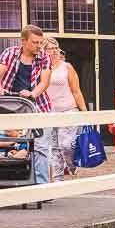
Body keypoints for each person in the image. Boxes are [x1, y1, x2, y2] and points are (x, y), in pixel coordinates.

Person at [0, 25, 52, 184]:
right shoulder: (10, 54)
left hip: (39, 106)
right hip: (10, 107)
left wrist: (32, 94)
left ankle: (41, 188)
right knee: (9, 143)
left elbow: (44, 82)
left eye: (40, 42)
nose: (39, 46)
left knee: (41, 147)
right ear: (23, 41)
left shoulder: (44, 57)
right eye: (35, 42)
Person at [43, 37, 87, 181]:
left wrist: (85, 112)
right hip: (49, 112)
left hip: (68, 109)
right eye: (51, 49)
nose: (55, 51)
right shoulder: (40, 68)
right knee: (53, 148)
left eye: (56, 48)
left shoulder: (66, 67)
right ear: (44, 51)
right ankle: (58, 181)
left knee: (66, 144)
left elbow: (76, 91)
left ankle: (72, 165)